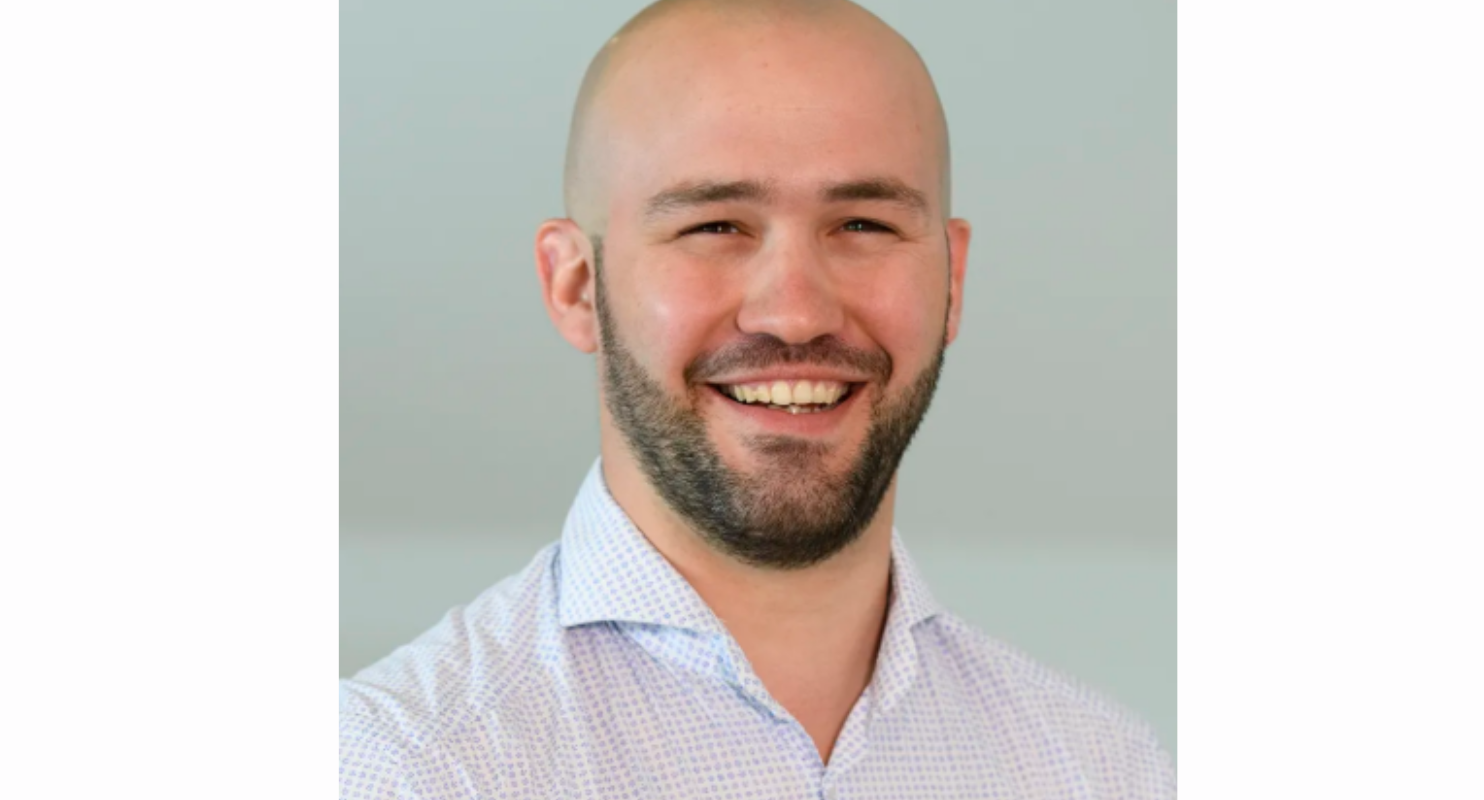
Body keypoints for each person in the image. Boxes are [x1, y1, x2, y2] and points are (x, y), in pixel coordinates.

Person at [339, 0, 1174, 796]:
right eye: (716, 226)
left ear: (952, 279)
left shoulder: (1110, 773)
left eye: (864, 225)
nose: (797, 312)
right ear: (576, 285)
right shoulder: (400, 771)